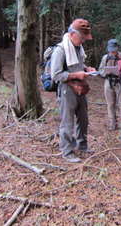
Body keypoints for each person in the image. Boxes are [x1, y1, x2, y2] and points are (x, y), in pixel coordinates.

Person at [50, 18, 96, 163]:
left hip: (81, 88)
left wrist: (87, 69)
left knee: (83, 118)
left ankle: (82, 145)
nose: (83, 41)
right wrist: (76, 75)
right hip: (66, 89)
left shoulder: (78, 48)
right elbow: (56, 74)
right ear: (72, 34)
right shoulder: (61, 50)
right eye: (82, 37)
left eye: (85, 38)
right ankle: (67, 151)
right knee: (67, 121)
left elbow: (78, 65)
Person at [98, 39, 121, 130]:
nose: (112, 52)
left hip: (120, 83)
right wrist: (105, 73)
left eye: (114, 50)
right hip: (108, 82)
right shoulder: (105, 58)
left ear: (117, 48)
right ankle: (112, 124)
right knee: (110, 104)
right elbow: (100, 70)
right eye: (110, 50)